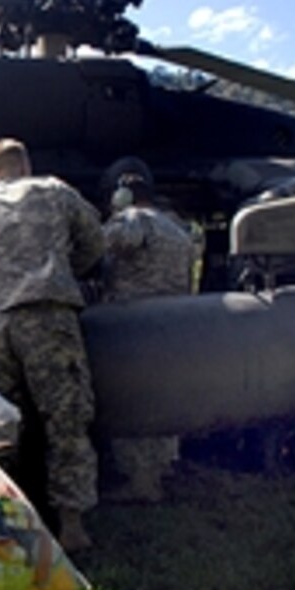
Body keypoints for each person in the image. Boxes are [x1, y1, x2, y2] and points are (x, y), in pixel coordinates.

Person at [0, 137, 104, 552]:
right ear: (26, 164)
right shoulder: (55, 191)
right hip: (50, 317)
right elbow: (94, 241)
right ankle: (71, 525)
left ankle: (2, 520)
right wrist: (70, 270)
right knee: (66, 420)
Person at [102, 172, 196, 502]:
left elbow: (105, 245)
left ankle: (140, 482)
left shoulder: (134, 219)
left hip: (135, 326)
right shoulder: (177, 229)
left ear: (124, 196)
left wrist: (109, 220)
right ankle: (163, 469)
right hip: (172, 326)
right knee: (163, 398)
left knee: (132, 400)